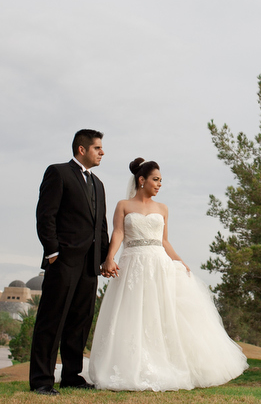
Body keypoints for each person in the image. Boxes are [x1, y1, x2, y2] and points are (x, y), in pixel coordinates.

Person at [88, 158, 248, 391]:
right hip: (132, 263)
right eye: (155, 179)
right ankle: (128, 364)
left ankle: (162, 363)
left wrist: (181, 262)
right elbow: (119, 232)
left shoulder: (163, 209)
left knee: (158, 313)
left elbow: (163, 240)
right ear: (141, 180)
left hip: (158, 265)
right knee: (131, 315)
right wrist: (110, 258)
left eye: (161, 180)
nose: (159, 184)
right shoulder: (123, 205)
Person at [30, 129, 110, 395]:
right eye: (97, 148)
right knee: (51, 320)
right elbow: (46, 215)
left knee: (80, 320)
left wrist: (104, 258)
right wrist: (52, 252)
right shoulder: (58, 172)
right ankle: (42, 380)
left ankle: (72, 376)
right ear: (81, 149)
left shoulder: (98, 184)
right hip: (63, 261)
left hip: (90, 265)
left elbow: (101, 226)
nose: (102, 152)